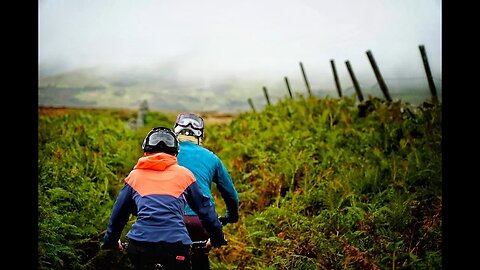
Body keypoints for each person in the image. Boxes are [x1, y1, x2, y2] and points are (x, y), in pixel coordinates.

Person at [102, 126, 227, 270]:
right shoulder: (185, 175)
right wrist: (217, 238)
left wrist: (111, 240)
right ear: (175, 153)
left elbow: (119, 214)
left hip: (140, 245)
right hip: (176, 246)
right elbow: (205, 210)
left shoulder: (134, 176)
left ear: (145, 152)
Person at [173, 113, 239, 270]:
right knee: (199, 258)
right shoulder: (211, 158)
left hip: (166, 217)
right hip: (200, 221)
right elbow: (230, 194)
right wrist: (231, 217)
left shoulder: (163, 154)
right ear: (200, 135)